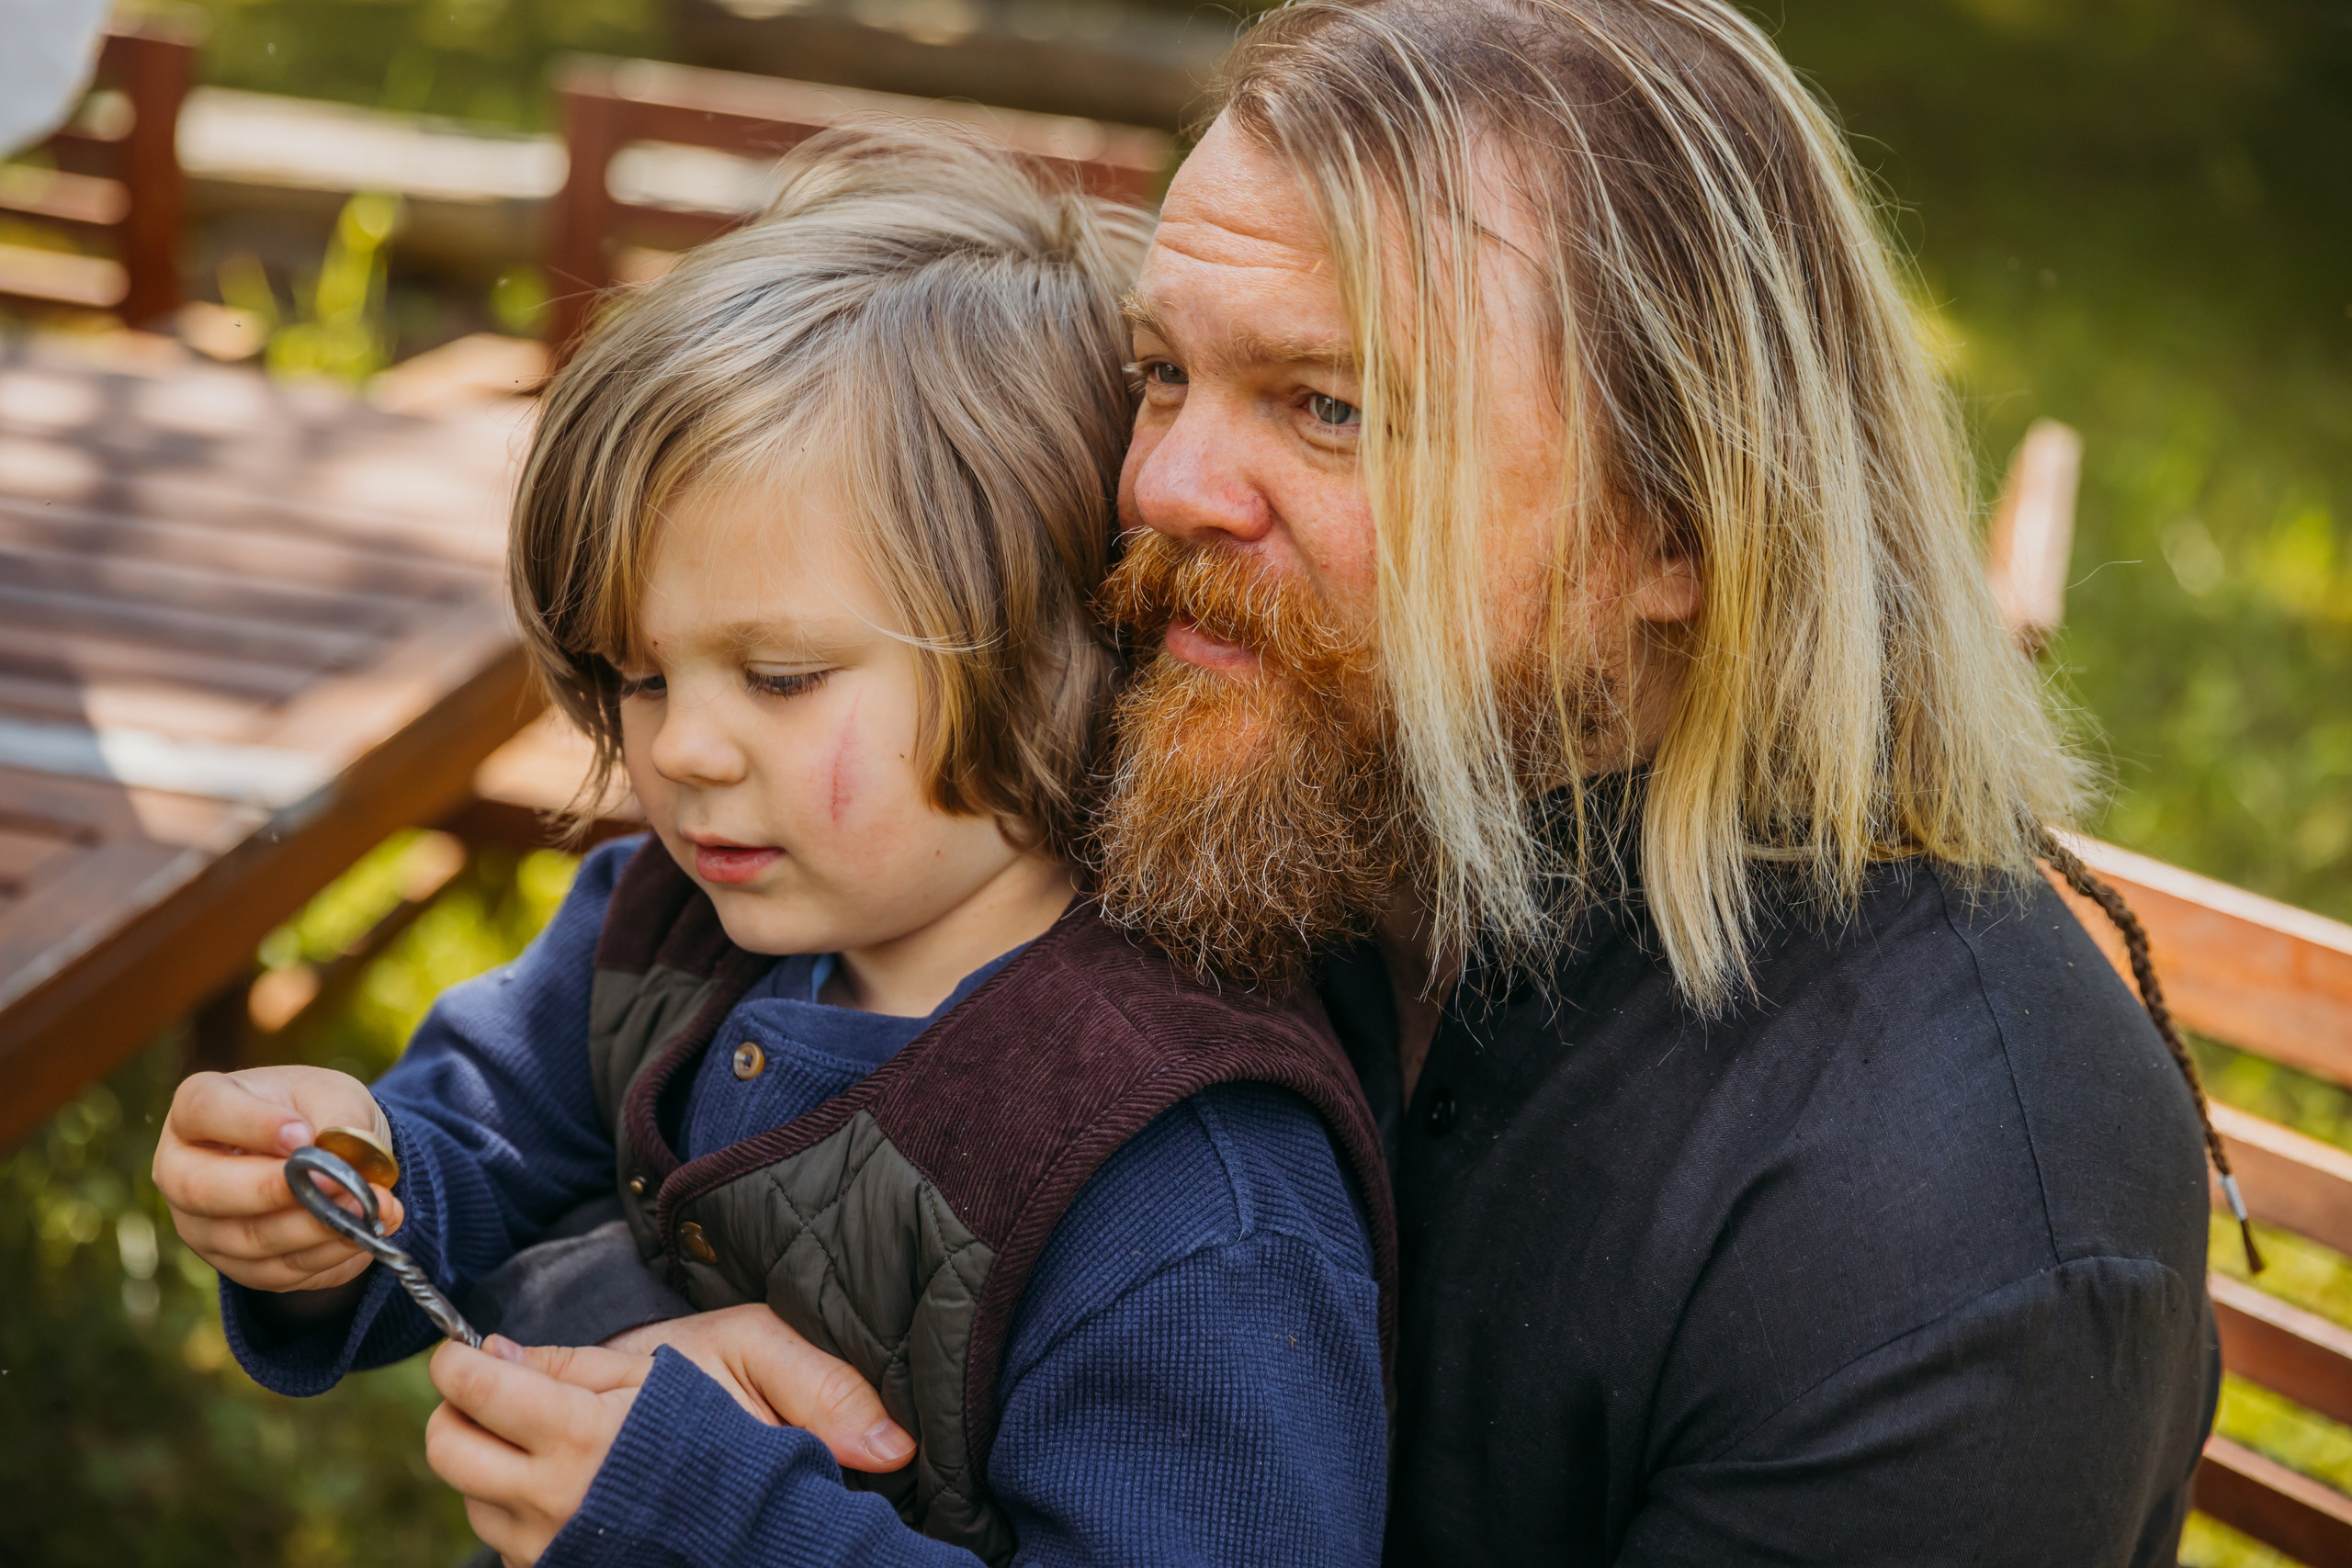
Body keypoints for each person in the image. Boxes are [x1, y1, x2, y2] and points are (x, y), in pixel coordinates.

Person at [590, 1, 2222, 1561]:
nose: (1166, 483)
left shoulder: (1946, 1217)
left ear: (1679, 527)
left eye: (1330, 406)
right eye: (1162, 372)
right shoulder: (1216, 802)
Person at [151, 129, 1394, 1568]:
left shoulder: (1184, 1188)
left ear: (1061, 643)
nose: (683, 750)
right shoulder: (665, 923)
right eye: (641, 674)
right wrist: (350, 1196)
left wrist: (711, 1519)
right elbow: (473, 1135)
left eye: (782, 678)